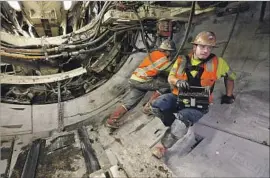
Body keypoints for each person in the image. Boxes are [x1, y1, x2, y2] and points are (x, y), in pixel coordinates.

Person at [150, 31, 236, 158]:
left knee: (181, 121)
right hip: (179, 97)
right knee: (156, 106)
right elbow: (171, 78)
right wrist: (177, 81)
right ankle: (177, 125)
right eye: (202, 47)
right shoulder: (181, 60)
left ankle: (163, 147)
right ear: (195, 47)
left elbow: (230, 77)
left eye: (209, 47)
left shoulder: (218, 62)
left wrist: (229, 95)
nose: (206, 50)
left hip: (198, 104)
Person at [106, 39, 176, 129]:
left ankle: (111, 120)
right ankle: (149, 107)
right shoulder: (164, 60)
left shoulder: (153, 54)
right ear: (168, 51)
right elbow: (172, 72)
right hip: (143, 81)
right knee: (165, 85)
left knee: (130, 102)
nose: (171, 54)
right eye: (171, 52)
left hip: (135, 79)